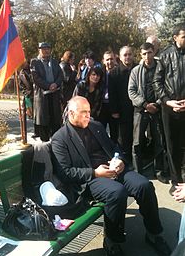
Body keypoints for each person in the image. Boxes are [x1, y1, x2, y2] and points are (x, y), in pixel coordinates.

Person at [51, 96, 171, 256]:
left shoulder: (95, 126)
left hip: (114, 169)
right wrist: (95, 172)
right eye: (84, 112)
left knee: (145, 186)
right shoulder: (60, 138)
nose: (88, 115)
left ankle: (154, 234)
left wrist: (120, 160)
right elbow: (66, 172)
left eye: (89, 111)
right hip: (90, 179)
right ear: (71, 114)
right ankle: (112, 240)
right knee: (117, 193)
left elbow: (115, 147)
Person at [128, 42, 169, 182]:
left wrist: (156, 104)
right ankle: (138, 173)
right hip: (140, 111)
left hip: (157, 110)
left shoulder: (160, 69)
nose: (147, 56)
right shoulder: (135, 71)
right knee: (137, 143)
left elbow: (166, 88)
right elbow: (131, 91)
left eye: (150, 52)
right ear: (140, 54)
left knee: (159, 141)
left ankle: (159, 172)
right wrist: (145, 104)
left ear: (154, 52)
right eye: (144, 53)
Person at [153, 24, 185, 196]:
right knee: (171, 146)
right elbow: (157, 82)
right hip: (170, 109)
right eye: (184, 36)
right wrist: (167, 101)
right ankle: (176, 180)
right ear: (175, 38)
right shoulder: (165, 55)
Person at [30, 42, 63, 141]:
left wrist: (55, 84)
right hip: (42, 96)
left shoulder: (54, 62)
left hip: (54, 95)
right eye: (43, 49)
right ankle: (45, 145)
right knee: (44, 122)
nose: (46, 50)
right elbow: (36, 78)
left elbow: (60, 75)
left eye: (48, 48)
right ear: (39, 50)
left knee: (55, 121)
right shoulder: (35, 62)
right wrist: (48, 86)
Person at [109, 46, 136, 166]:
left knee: (136, 136)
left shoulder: (138, 69)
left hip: (137, 109)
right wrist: (114, 110)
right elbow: (112, 93)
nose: (128, 57)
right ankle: (125, 161)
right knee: (124, 138)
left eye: (130, 54)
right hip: (122, 110)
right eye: (125, 55)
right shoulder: (114, 73)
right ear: (119, 57)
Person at [98, 50, 119, 143]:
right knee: (101, 131)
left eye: (111, 59)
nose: (109, 62)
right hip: (102, 106)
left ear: (115, 59)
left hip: (114, 106)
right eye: (107, 59)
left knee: (115, 132)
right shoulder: (99, 73)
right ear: (103, 61)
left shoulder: (119, 72)